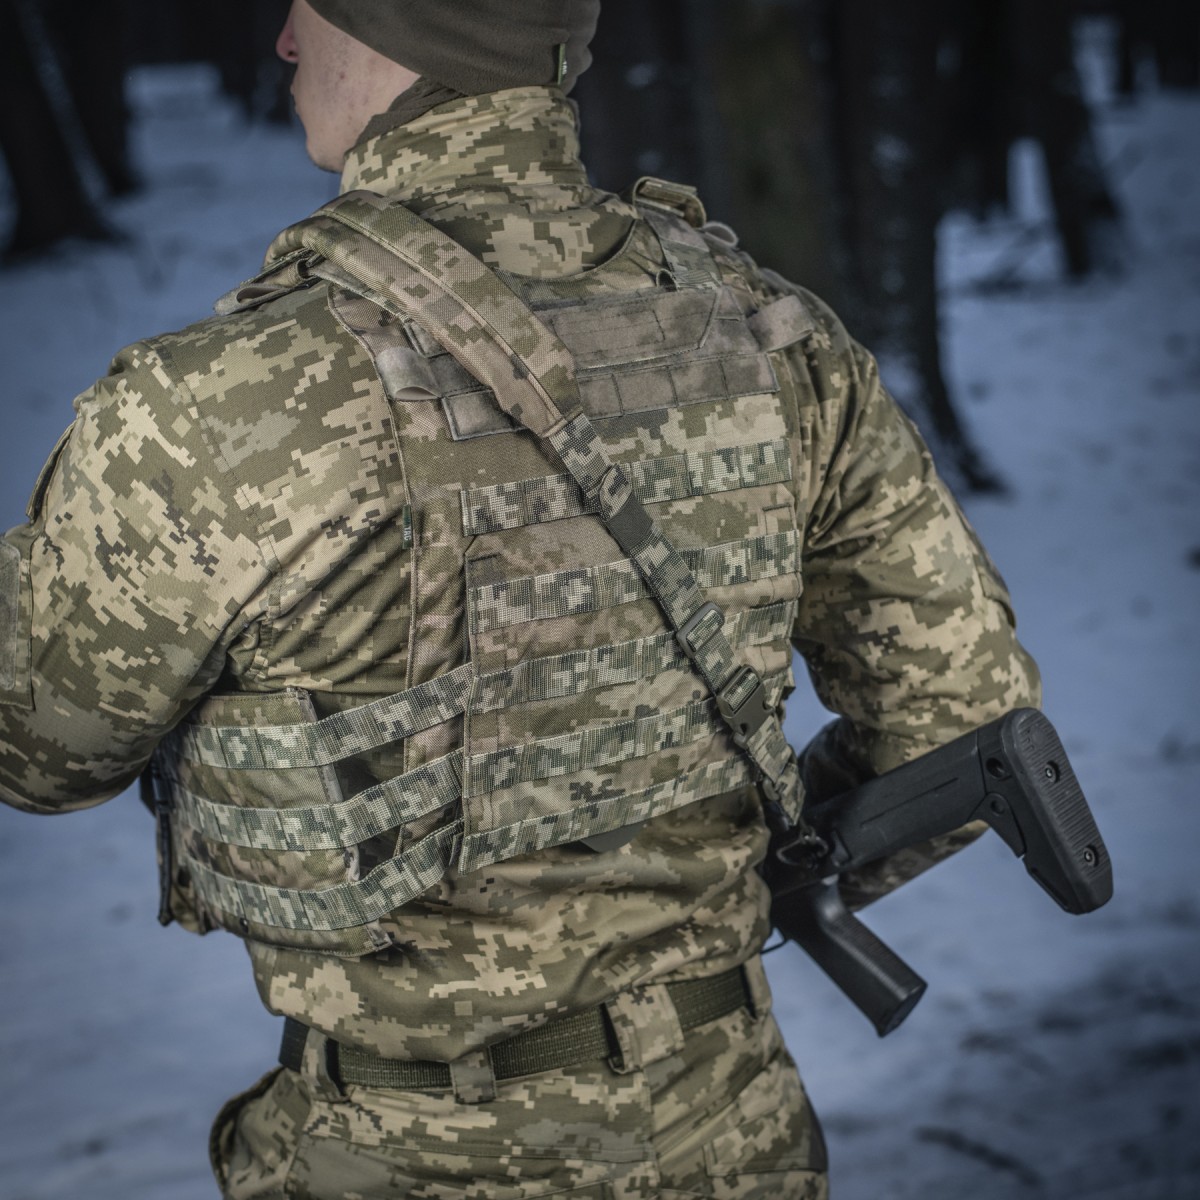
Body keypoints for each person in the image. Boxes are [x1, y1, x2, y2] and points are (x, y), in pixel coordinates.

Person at [0, 1, 1040, 1195]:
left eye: (312, 7)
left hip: (403, 1160)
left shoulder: (218, 405)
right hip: (734, 1134)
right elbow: (964, 712)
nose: (285, 41)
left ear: (403, 28)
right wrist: (745, 870)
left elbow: (35, 748)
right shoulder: (776, 340)